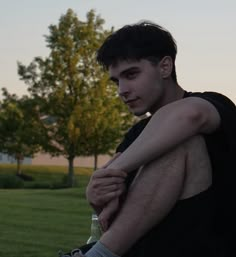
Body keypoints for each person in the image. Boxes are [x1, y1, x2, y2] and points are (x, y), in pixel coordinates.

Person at [70, 21, 236, 257]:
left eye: (131, 74)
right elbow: (124, 222)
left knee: (180, 141)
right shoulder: (135, 137)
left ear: (165, 67)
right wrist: (99, 195)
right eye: (117, 81)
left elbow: (188, 115)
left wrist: (112, 169)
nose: (122, 90)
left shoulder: (212, 105)